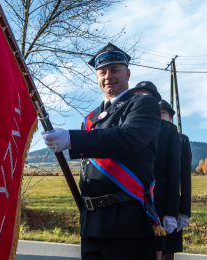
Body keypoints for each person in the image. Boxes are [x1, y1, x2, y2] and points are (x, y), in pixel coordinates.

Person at [42, 43, 163, 260]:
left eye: (114, 70)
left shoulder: (143, 104)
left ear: (127, 73)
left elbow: (128, 139)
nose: (108, 76)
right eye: (102, 72)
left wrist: (71, 138)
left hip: (127, 221)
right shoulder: (91, 117)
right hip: (91, 222)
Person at [132, 86, 181, 260]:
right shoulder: (125, 124)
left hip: (156, 204)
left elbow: (174, 174)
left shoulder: (168, 130)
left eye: (146, 97)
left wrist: (172, 212)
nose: (140, 100)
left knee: (155, 253)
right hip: (129, 200)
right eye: (136, 96)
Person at [159, 100, 192, 260]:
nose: (159, 116)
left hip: (172, 204)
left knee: (167, 250)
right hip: (151, 201)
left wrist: (184, 211)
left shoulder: (181, 140)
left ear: (170, 117)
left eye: (163, 113)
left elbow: (185, 178)